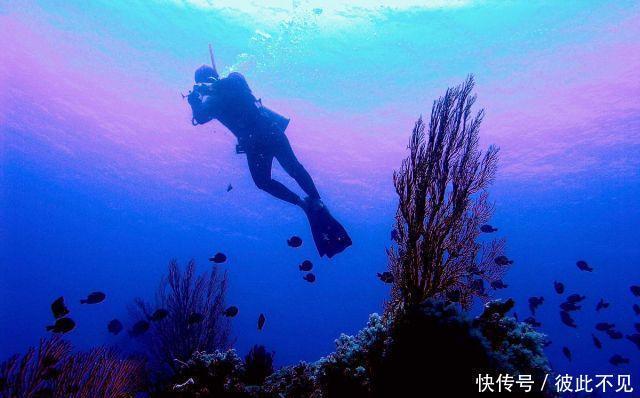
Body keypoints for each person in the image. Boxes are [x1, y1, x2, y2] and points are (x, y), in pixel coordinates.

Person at [187, 48, 351, 258]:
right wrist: (194, 103)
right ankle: (302, 203)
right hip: (254, 145)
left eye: (208, 79)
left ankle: (317, 200)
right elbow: (199, 118)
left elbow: (239, 84)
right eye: (202, 83)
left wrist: (214, 85)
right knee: (262, 182)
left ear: (216, 76)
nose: (206, 84)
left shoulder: (231, 80)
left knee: (293, 167)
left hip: (268, 131)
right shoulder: (210, 101)